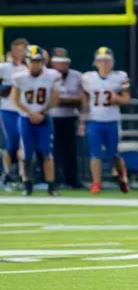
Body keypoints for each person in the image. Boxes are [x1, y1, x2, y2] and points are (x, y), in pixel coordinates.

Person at [10, 45, 61, 196]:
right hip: (26, 118)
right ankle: (27, 184)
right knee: (27, 153)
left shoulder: (52, 75)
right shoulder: (19, 77)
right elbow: (16, 100)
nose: (35, 64)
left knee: (46, 152)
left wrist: (42, 113)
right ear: (27, 61)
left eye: (38, 61)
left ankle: (51, 185)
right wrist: (30, 113)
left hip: (44, 118)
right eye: (32, 61)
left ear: (43, 61)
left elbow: (54, 98)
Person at [80, 47, 131, 194]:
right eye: (101, 61)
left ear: (112, 62)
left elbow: (126, 99)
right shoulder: (88, 78)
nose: (104, 64)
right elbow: (85, 101)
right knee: (95, 153)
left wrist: (117, 98)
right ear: (95, 63)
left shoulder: (120, 76)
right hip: (94, 120)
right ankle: (96, 183)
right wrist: (82, 121)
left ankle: (122, 177)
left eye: (107, 61)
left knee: (114, 153)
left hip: (112, 120)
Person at [48, 49, 84, 190]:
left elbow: (81, 98)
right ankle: (54, 179)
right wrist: (66, 100)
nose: (61, 66)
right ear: (53, 64)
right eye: (58, 63)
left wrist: (61, 100)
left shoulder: (77, 76)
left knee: (71, 150)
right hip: (52, 116)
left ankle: (72, 179)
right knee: (53, 150)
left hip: (70, 117)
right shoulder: (47, 75)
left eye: (64, 63)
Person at [0, 39, 28, 187]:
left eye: (22, 50)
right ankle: (7, 173)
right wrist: (6, 88)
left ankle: (24, 177)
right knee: (10, 144)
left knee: (25, 145)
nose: (19, 53)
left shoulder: (31, 67)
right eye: (17, 50)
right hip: (8, 109)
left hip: (26, 110)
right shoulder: (4, 67)